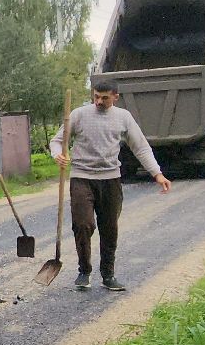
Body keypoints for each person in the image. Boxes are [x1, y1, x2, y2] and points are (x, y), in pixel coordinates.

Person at [48, 80, 172, 292]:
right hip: (82, 177)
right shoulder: (78, 115)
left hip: (110, 179)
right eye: (96, 96)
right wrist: (57, 154)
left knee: (109, 228)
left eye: (104, 98)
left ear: (115, 97)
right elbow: (57, 140)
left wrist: (157, 174)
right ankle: (84, 271)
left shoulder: (123, 117)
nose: (98, 101)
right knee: (83, 224)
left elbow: (141, 147)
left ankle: (108, 275)